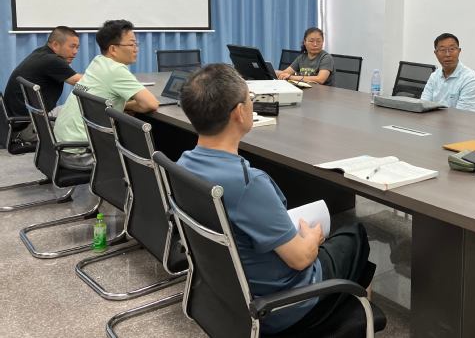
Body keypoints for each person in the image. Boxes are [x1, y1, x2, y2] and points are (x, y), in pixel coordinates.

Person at [178, 64, 374, 334]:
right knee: (355, 235)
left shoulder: (183, 164)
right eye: (250, 98)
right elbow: (301, 259)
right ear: (239, 113)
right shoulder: (249, 184)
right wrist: (312, 238)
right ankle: (354, 318)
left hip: (225, 295)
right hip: (280, 307)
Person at [53, 20, 159, 167]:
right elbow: (151, 104)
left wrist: (124, 105)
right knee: (147, 154)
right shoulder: (116, 70)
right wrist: (130, 106)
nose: (136, 49)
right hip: (81, 152)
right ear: (113, 49)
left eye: (136, 44)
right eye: (131, 44)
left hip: (63, 145)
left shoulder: (98, 61)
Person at [3, 26, 83, 144]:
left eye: (77, 47)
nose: (75, 52)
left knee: (77, 108)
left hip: (20, 124)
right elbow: (81, 82)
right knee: (84, 115)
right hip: (31, 127)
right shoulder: (51, 60)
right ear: (55, 45)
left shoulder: (40, 53)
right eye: (72, 46)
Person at [420, 32, 475, 112]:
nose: (447, 54)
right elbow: (423, 105)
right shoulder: (434, 76)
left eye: (452, 49)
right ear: (436, 53)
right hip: (434, 119)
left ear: (459, 51)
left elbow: (464, 115)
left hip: (459, 120)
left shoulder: (470, 79)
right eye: (442, 50)